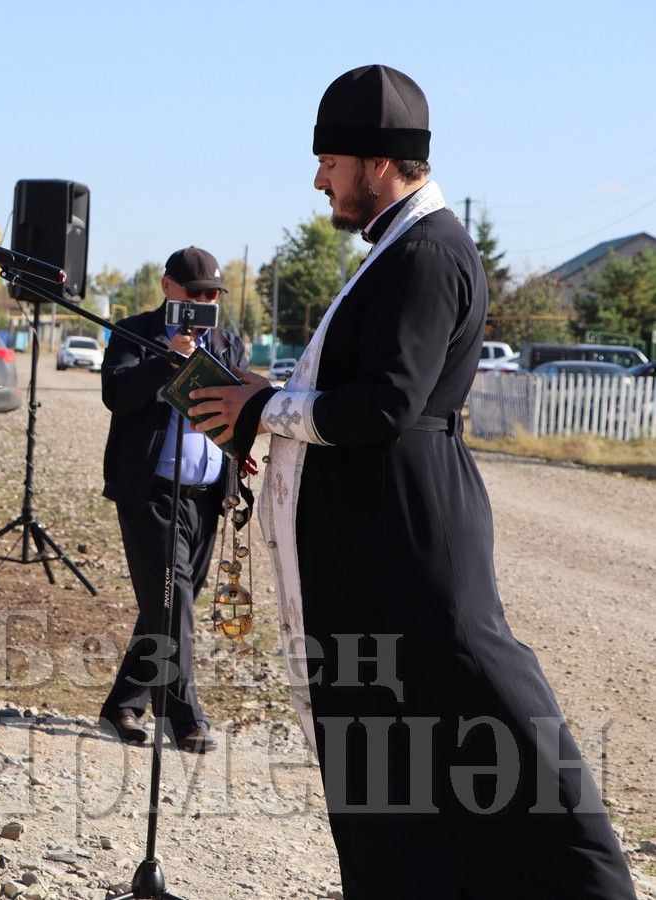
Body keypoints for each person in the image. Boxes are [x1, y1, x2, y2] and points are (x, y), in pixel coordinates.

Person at [188, 65, 635, 898]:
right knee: (383, 735)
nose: (318, 177)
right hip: (372, 532)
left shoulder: (427, 250)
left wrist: (265, 407)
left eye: (328, 159)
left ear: (376, 159)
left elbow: (388, 402)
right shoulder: (398, 247)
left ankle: (591, 884)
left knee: (482, 696)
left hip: (413, 527)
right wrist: (257, 417)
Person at [97, 247, 247, 753]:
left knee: (164, 604)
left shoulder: (228, 343)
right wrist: (169, 360)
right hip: (150, 493)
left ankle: (122, 705)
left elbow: (235, 412)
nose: (205, 304)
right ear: (168, 288)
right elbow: (117, 394)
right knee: (173, 597)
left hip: (205, 496)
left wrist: (239, 453)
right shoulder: (132, 332)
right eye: (195, 294)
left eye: (213, 296)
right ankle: (183, 716)